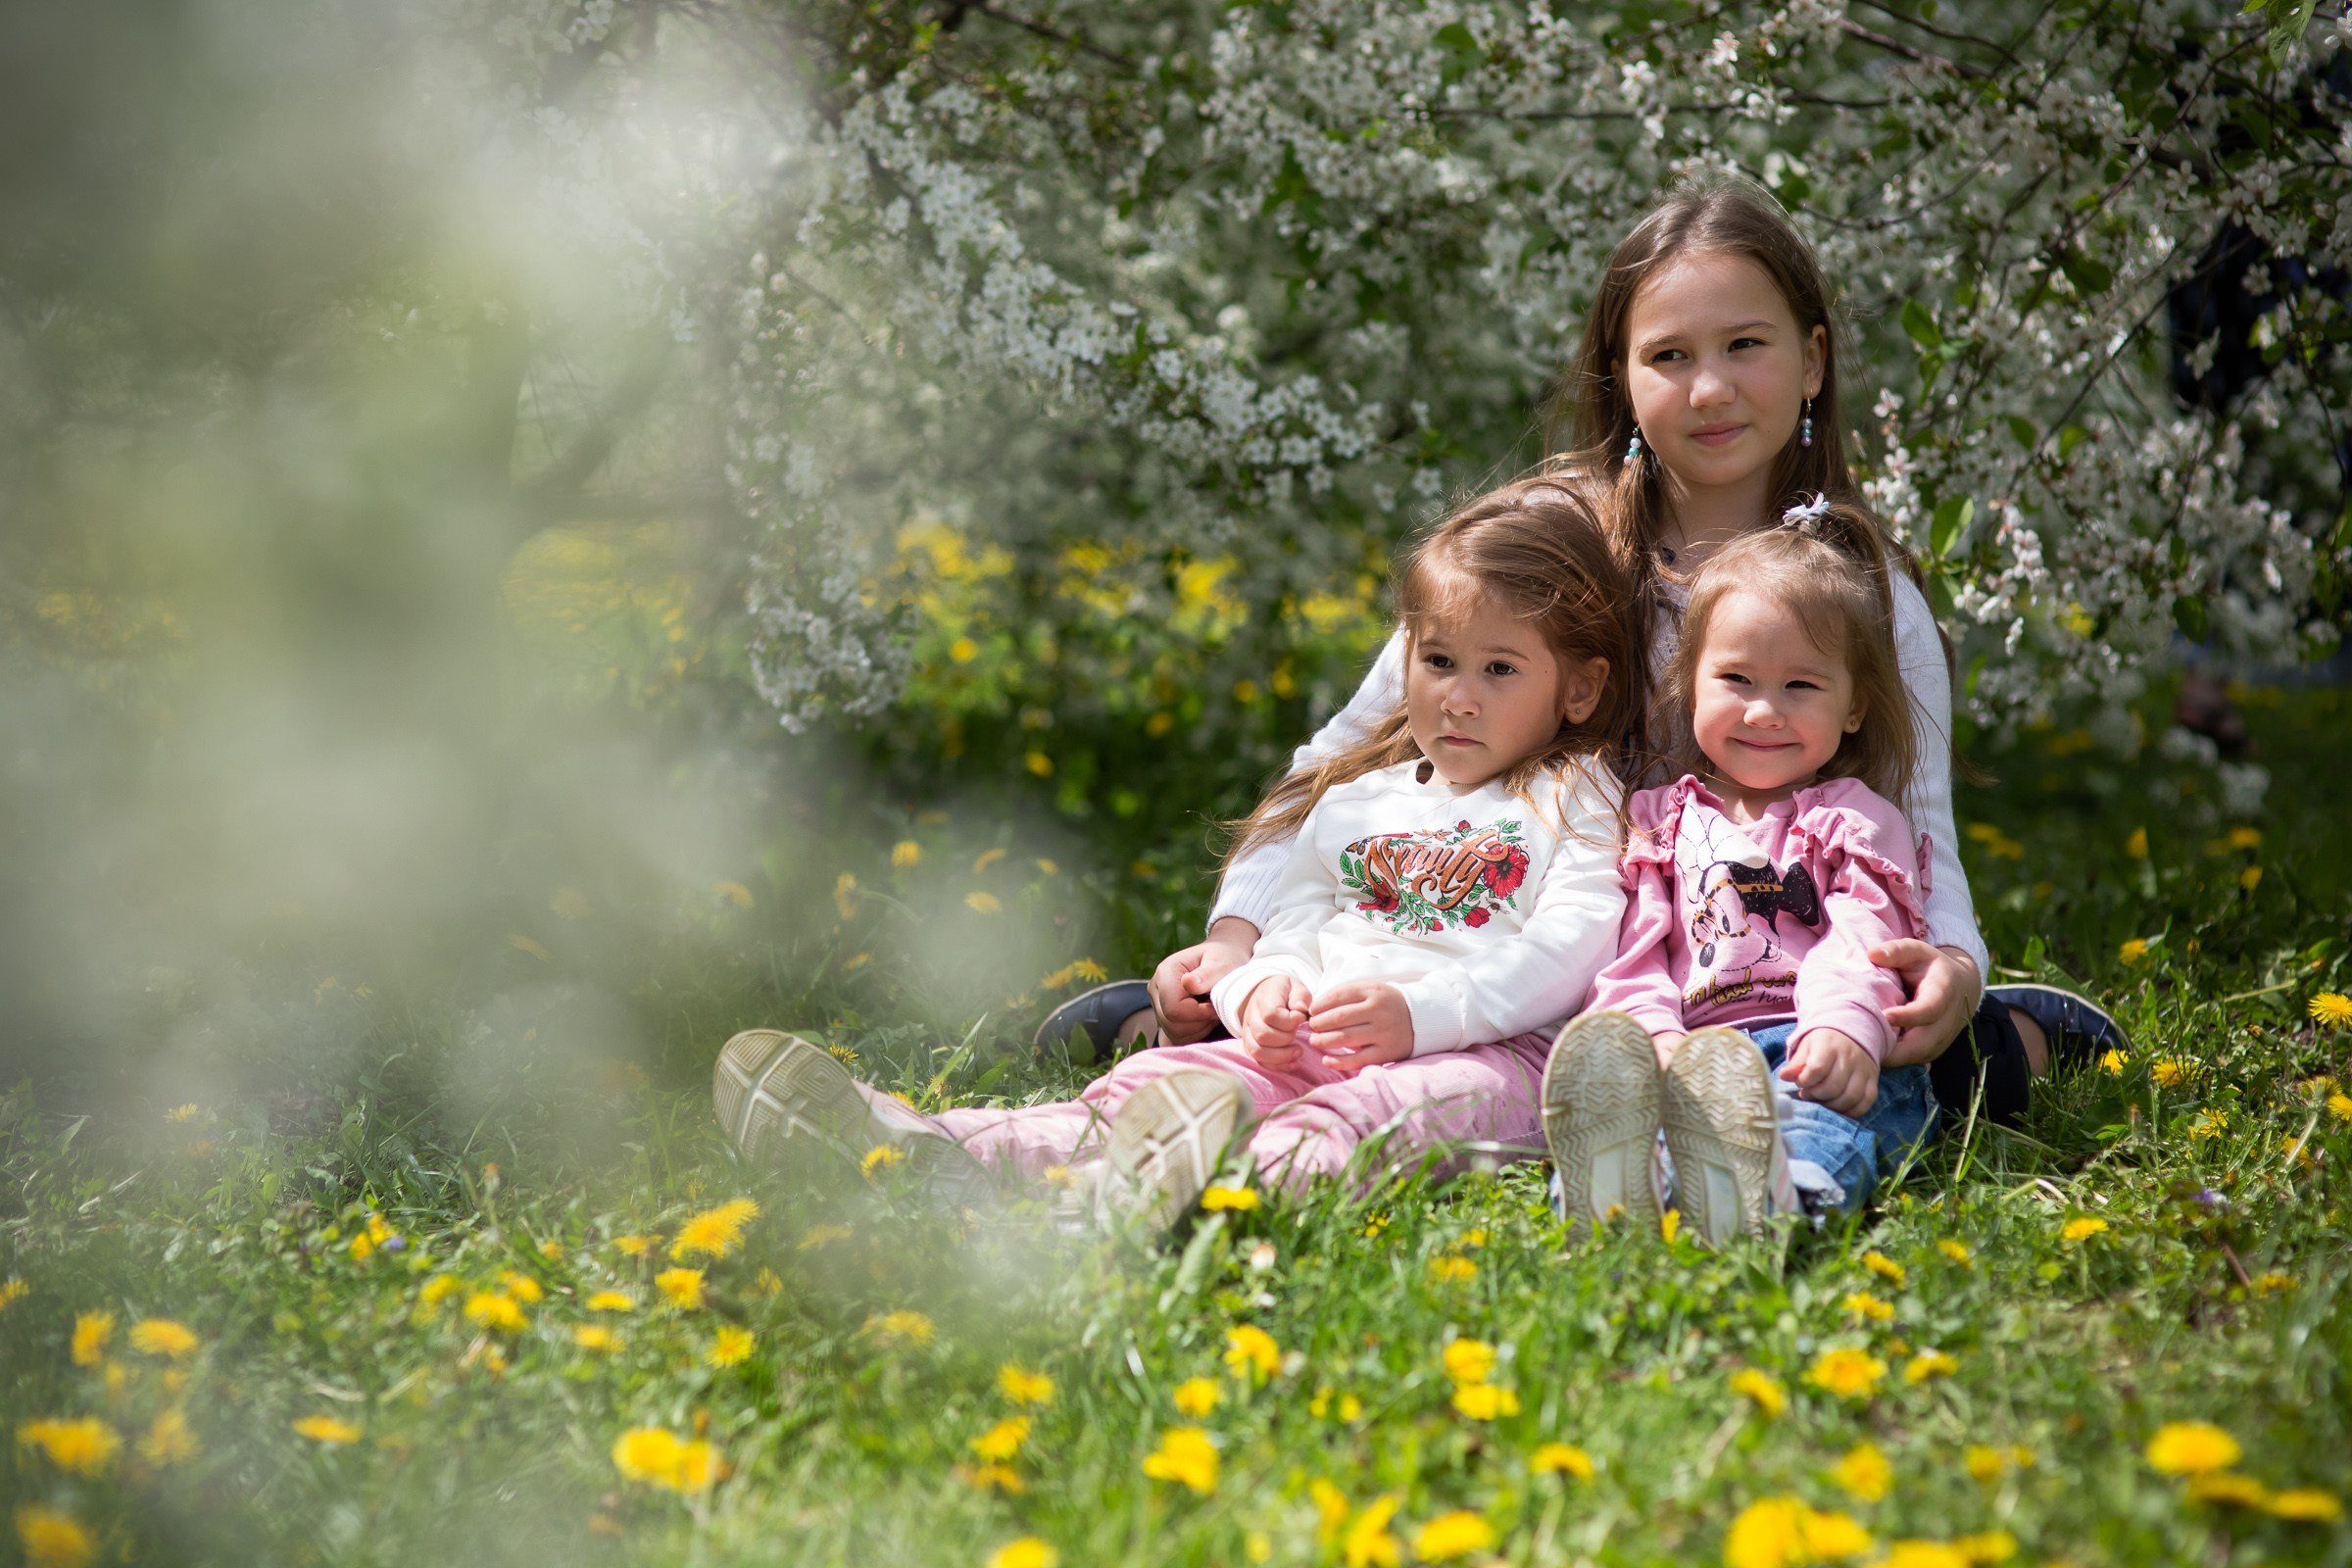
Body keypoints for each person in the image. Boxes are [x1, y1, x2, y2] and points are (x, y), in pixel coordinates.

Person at [1049, 180, 2124, 1122]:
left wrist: (1957, 973)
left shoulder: (1860, 587)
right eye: (1668, 356)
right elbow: (1348, 756)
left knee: (1870, 1062)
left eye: (1745, 344)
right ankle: (1189, 1025)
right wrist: (1235, 939)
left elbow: (1919, 829)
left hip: (1739, 966)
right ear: (1621, 377)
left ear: (1813, 360)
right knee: (1365, 1029)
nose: (1709, 389)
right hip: (1511, 944)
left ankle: (2014, 1039)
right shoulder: (1549, 542)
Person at [713, 480, 1638, 1226]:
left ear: (1582, 689)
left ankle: (1139, 1210)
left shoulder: (1575, 796)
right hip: (1315, 1038)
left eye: (1500, 669)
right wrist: (1255, 992)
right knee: (1158, 1087)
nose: (1460, 698)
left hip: (1488, 1055)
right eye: (1439, 663)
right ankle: (920, 1148)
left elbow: (1570, 945)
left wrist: (1425, 1014)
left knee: (1351, 1125)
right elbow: (1302, 916)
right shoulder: (1360, 802)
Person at [1544, 499, 1940, 1245]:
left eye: (1801, 687)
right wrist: (1653, 1037)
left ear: (1854, 706)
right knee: (1677, 1120)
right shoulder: (1657, 821)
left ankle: (1784, 1198)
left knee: (1830, 1117)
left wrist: (1846, 1028)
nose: (1764, 712)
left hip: (1812, 1040)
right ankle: (1628, 1193)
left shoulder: (1854, 819)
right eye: (1737, 680)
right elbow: (1634, 949)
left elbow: (1866, 937)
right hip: (1697, 1052)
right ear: (1691, 684)